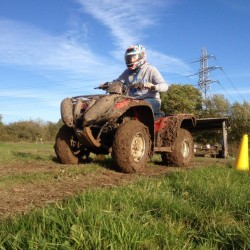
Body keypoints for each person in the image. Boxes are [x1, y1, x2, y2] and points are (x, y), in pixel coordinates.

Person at [101, 44, 168, 117]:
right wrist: (107, 84)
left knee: (138, 108)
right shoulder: (126, 72)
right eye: (129, 58)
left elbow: (165, 86)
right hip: (132, 101)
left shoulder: (151, 70)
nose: (131, 60)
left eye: (133, 57)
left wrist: (153, 87)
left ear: (142, 56)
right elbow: (117, 82)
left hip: (150, 100)